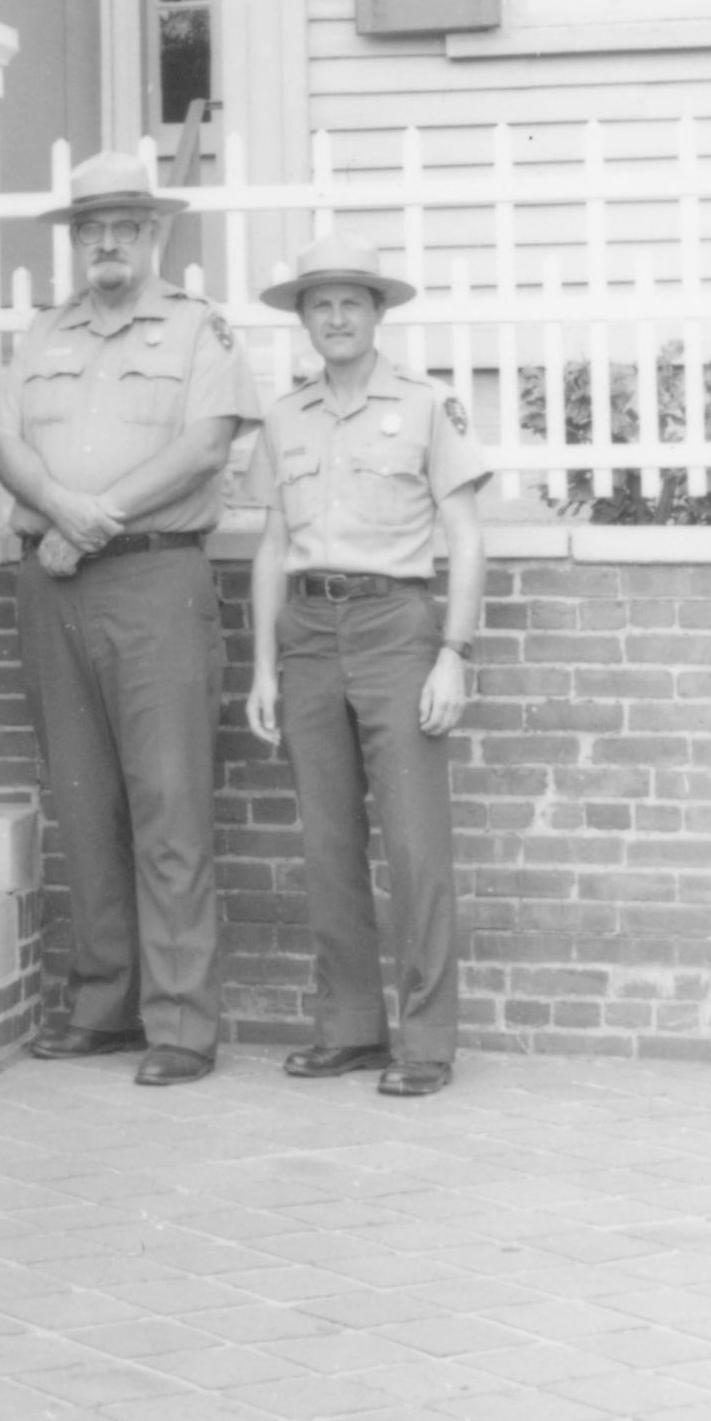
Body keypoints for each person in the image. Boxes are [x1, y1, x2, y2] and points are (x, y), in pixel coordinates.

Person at [0, 156, 261, 1084]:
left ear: (154, 236)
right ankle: (104, 1004)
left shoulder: (195, 329)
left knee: (168, 800)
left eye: (124, 227)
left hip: (152, 580)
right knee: (83, 799)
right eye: (89, 228)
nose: (105, 242)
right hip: (56, 584)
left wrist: (95, 518)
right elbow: (7, 440)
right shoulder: (43, 333)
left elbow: (205, 445)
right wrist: (63, 511)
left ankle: (180, 1022)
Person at [245, 237, 490, 1100]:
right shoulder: (284, 417)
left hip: (396, 626)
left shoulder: (426, 408)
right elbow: (273, 546)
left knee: (417, 844)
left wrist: (452, 654)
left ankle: (426, 1042)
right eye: (321, 305)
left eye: (353, 302)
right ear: (303, 319)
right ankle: (349, 1028)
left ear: (379, 313)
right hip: (309, 629)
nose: (337, 318)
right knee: (327, 841)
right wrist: (264, 669)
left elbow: (463, 536)